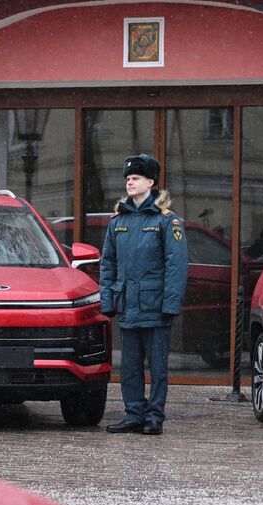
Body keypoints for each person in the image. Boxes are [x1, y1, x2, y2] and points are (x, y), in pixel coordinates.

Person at [99, 153, 189, 435]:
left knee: (158, 367)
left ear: (150, 182)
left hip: (155, 306)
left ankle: (154, 417)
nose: (130, 183)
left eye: (135, 178)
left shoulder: (166, 221)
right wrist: (107, 301)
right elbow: (108, 263)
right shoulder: (118, 221)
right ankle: (134, 413)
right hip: (128, 304)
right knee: (129, 367)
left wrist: (170, 304)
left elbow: (176, 266)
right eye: (127, 178)